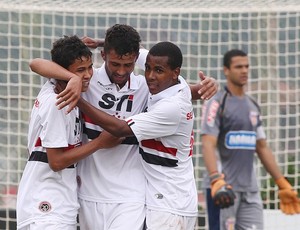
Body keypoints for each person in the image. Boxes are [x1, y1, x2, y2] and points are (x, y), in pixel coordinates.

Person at [29, 24, 218, 230]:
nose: (121, 71)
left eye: (128, 65)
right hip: (86, 194)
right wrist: (72, 79)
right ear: (103, 56)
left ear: (136, 60)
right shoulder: (84, 80)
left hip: (131, 198)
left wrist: (207, 87)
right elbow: (37, 63)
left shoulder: (147, 86)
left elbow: (183, 91)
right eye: (115, 64)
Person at [76, 41, 198, 229]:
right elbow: (135, 55)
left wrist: (78, 101)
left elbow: (120, 129)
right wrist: (104, 43)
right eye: (147, 69)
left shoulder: (171, 107)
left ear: (176, 73)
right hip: (165, 200)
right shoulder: (170, 87)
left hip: (170, 204)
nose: (150, 76)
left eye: (158, 71)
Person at [16, 35, 121, 230]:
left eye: (90, 67)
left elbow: (37, 64)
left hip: (58, 203)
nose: (89, 75)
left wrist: (75, 76)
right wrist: (99, 143)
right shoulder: (58, 102)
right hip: (46, 205)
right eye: (80, 70)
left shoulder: (59, 88)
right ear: (62, 72)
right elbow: (56, 162)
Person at [200, 49, 300, 230]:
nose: (244, 71)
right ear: (226, 70)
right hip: (224, 190)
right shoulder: (216, 103)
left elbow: (262, 147)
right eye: (238, 67)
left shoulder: (252, 105)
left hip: (250, 191)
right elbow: (208, 142)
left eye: (246, 66)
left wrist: (282, 183)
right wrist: (216, 179)